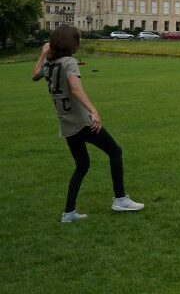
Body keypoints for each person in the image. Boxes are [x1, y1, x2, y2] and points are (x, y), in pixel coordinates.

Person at [32, 25, 144, 223]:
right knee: (115, 151)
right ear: (72, 44)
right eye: (77, 40)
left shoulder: (50, 65)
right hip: (82, 122)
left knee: (82, 165)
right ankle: (120, 199)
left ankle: (69, 213)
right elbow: (75, 89)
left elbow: (34, 75)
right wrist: (94, 111)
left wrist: (42, 54)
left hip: (66, 124)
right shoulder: (69, 62)